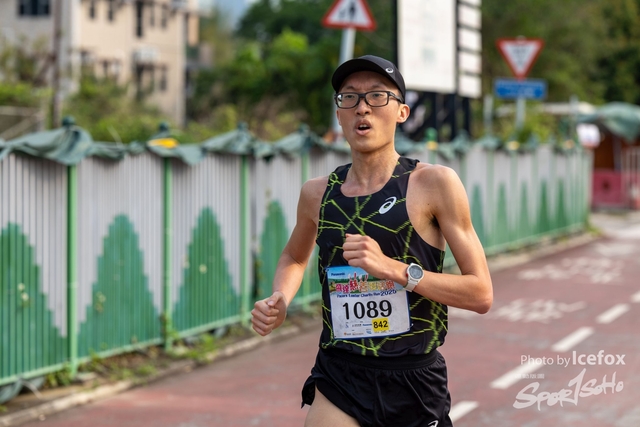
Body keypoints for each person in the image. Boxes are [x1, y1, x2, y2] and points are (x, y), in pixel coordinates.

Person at [251, 55, 493, 427]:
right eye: (349, 97)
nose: (362, 108)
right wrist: (280, 297)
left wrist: (394, 270)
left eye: (377, 96)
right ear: (339, 114)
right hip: (340, 373)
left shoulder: (434, 184)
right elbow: (295, 258)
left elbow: (480, 293)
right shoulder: (317, 193)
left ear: (402, 112)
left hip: (412, 379)